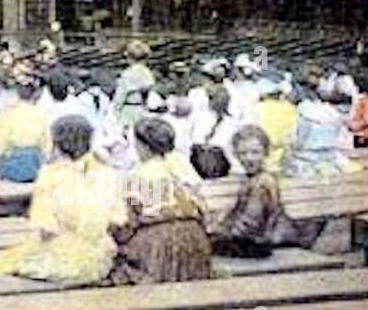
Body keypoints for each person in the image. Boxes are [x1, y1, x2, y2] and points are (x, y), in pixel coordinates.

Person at [0, 116, 126, 282]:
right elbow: (117, 219)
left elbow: (46, 228)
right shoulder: (107, 173)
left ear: (56, 143)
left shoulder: (50, 176)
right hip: (99, 258)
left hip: (64, 257)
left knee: (9, 263)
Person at [108, 118, 213, 285]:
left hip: (157, 244)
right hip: (194, 240)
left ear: (144, 146)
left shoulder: (138, 175)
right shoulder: (183, 169)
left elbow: (128, 222)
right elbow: (203, 210)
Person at [210, 126, 322, 258]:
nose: (249, 158)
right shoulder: (252, 179)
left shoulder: (263, 183)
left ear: (266, 153)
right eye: (243, 153)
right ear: (235, 154)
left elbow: (249, 223)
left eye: (255, 152)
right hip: (258, 240)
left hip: (270, 242)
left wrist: (218, 233)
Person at [0, 82, 51, 183]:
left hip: (13, 161)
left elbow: (1, 144)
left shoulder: (7, 115)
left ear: (17, 95)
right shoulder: (42, 114)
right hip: (35, 163)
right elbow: (46, 144)